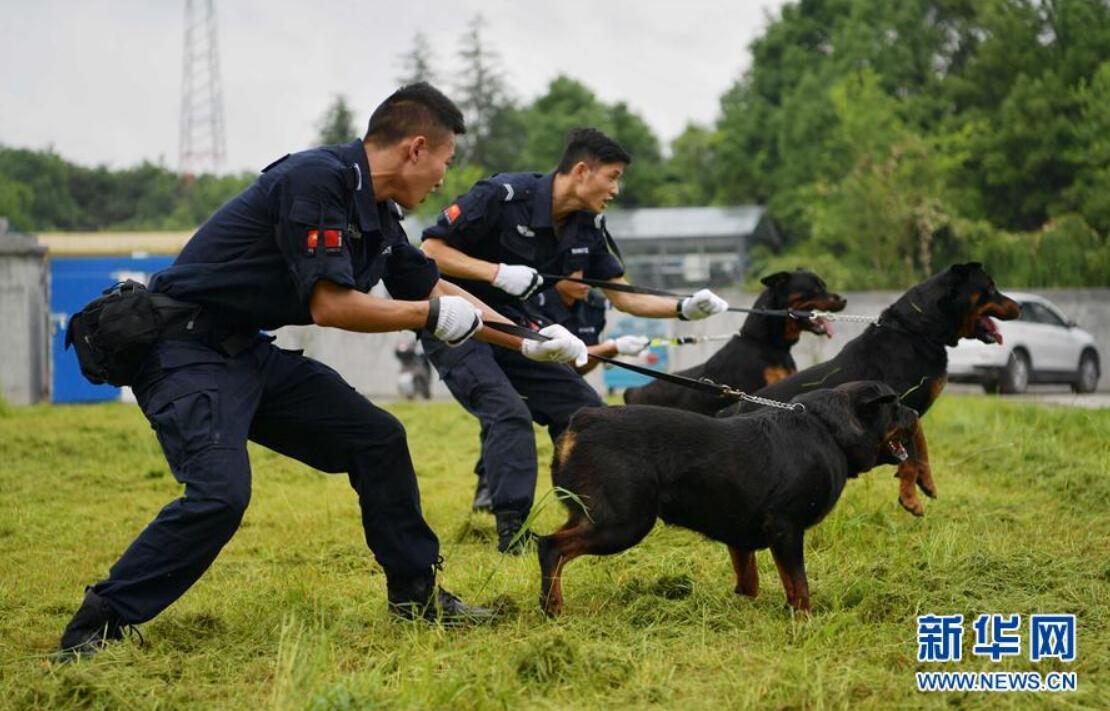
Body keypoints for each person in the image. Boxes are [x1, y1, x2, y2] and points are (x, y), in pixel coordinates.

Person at [56, 83, 590, 659]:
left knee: (377, 438)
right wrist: (432, 317)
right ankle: (96, 625)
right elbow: (333, 306)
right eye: (444, 161)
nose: (442, 179)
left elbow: (430, 285)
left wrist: (528, 339)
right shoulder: (315, 181)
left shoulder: (378, 215)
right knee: (219, 495)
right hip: (185, 353)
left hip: (243, 351)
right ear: (415, 148)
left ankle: (417, 596)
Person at [421, 128, 729, 553]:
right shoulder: (503, 195)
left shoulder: (588, 225)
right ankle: (512, 532)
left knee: (583, 413)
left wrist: (681, 307)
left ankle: (594, 512)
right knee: (507, 412)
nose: (616, 190)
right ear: (582, 171)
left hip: (514, 324)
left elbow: (621, 294)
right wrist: (494, 272)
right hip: (457, 321)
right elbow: (430, 251)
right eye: (613, 177)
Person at [470, 273, 650, 512]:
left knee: (587, 407)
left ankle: (587, 490)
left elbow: (577, 364)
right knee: (507, 411)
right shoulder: (533, 299)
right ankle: (490, 488)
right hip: (511, 357)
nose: (587, 283)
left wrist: (609, 351)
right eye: (578, 276)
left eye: (590, 276)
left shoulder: (592, 307)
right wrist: (610, 346)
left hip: (551, 370)